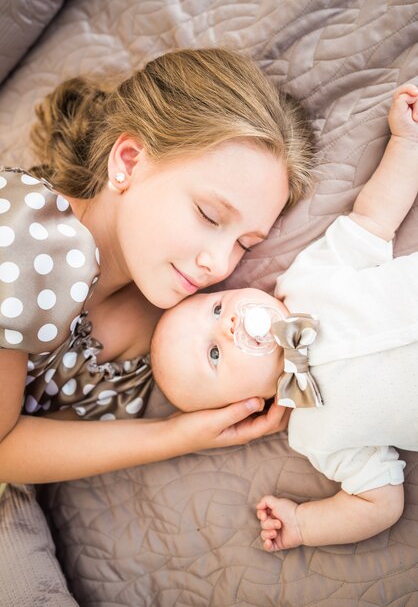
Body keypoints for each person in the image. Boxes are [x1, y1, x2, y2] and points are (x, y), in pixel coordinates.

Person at [0, 47, 315, 486]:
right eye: (208, 216)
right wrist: (175, 437)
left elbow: (41, 449)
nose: (218, 264)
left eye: (245, 243)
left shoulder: (157, 327)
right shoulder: (25, 235)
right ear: (128, 161)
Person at [150, 82, 418, 549]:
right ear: (244, 404)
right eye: (214, 353)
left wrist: (407, 143)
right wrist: (304, 524)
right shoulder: (315, 433)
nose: (228, 324)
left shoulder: (308, 279)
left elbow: (375, 219)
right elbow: (380, 500)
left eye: (216, 308)